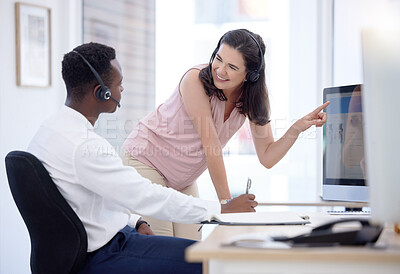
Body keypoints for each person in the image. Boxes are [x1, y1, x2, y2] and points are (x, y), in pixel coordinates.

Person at [27, 42, 257, 274]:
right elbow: (147, 195)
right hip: (103, 254)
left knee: (195, 251)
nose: (122, 90)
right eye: (119, 84)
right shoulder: (86, 147)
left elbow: (88, 203)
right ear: (102, 92)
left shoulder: (49, 130)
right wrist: (220, 208)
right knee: (203, 258)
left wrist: (134, 221)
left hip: (100, 242)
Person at [122, 29, 330, 240]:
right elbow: (211, 145)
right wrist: (226, 206)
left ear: (251, 75)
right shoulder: (195, 80)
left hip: (182, 179)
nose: (220, 70)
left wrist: (296, 128)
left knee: (191, 248)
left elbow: (267, 157)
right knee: (163, 245)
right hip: (147, 161)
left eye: (232, 67)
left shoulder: (253, 98)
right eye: (218, 59)